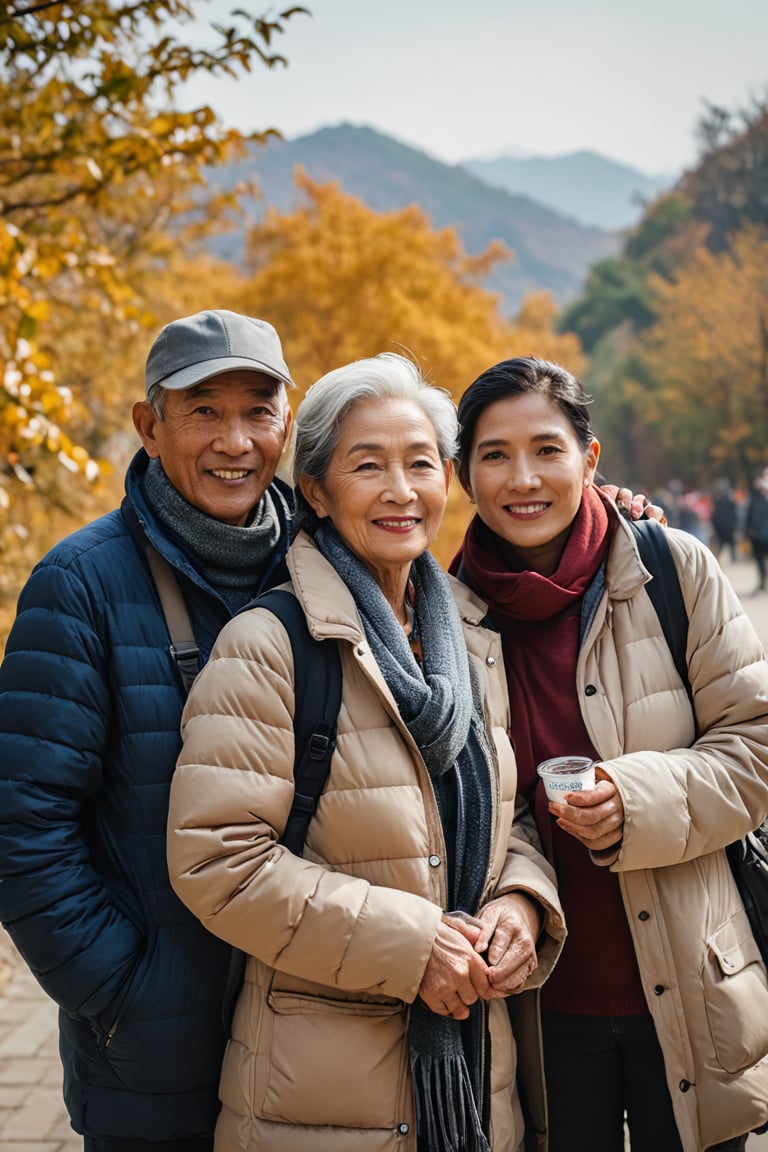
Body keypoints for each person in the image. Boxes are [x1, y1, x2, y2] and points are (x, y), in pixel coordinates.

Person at [166, 352, 566, 1152]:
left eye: (420, 463)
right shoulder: (268, 645)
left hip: (481, 1074)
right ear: (315, 488)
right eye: (367, 466)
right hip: (316, 1094)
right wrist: (412, 946)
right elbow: (216, 860)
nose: (399, 490)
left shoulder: (474, 637)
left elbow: (511, 812)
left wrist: (522, 901)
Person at [450, 356, 768, 1152]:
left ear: (589, 460)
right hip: (537, 1009)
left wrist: (638, 799)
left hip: (694, 995)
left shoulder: (671, 569)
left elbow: (756, 745)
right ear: (463, 475)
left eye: (547, 449)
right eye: (494, 455)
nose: (523, 478)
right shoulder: (441, 613)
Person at [0, 310, 296, 1152]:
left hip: (319, 1030)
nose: (235, 440)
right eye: (204, 410)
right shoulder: (81, 583)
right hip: (157, 1051)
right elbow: (23, 828)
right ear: (149, 426)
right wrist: (128, 995)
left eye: (257, 410)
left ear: (287, 423)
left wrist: (600, 517)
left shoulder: (325, 563)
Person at [746, 468, 768, 594]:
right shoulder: (755, 497)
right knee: (760, 561)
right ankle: (762, 582)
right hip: (757, 535)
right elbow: (750, 516)